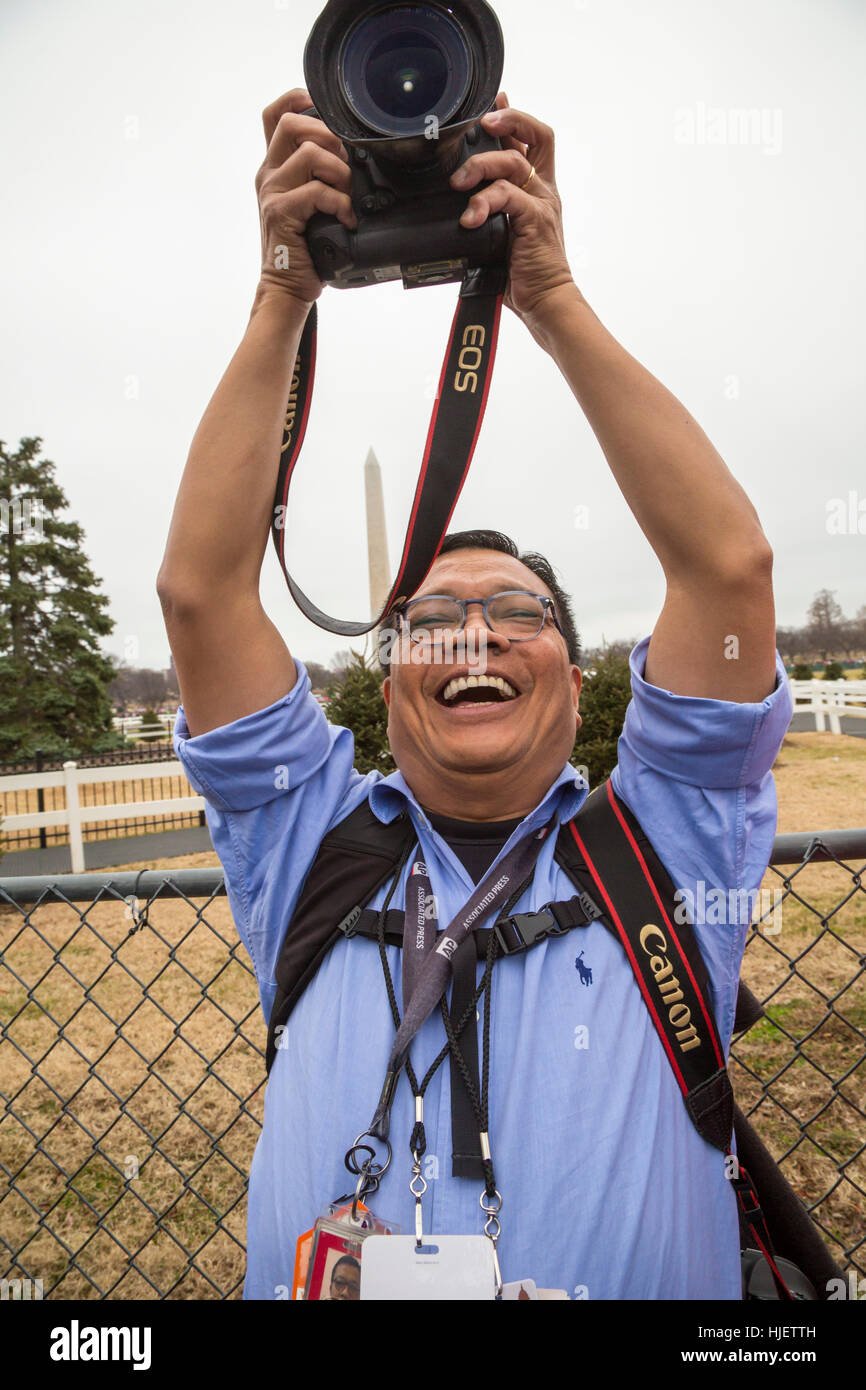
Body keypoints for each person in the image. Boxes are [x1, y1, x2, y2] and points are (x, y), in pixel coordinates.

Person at [157, 87, 793, 1299]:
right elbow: (201, 595)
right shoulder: (308, 839)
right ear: (385, 677)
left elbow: (726, 568)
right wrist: (282, 290)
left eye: (516, 613)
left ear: (568, 662)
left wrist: (544, 293)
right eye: (432, 622)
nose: (469, 640)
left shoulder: (668, 838)